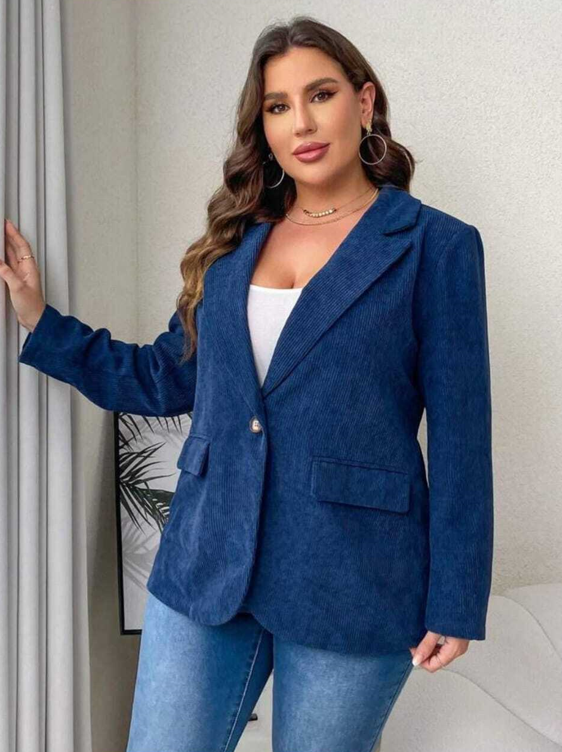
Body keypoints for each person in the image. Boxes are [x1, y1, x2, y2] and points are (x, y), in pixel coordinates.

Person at [0, 14, 494, 752]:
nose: (302, 123)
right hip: (208, 559)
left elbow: (461, 436)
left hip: (353, 575)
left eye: (321, 95)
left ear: (363, 102)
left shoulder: (435, 246)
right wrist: (43, 323)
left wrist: (456, 598)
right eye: (278, 106)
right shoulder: (235, 243)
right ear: (262, 126)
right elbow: (163, 376)